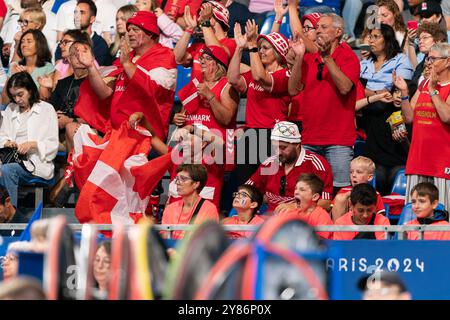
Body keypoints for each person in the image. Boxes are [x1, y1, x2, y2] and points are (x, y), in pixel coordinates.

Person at [76, 10, 176, 139]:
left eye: (135, 29)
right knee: (77, 135)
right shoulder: (125, 59)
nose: (130, 33)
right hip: (116, 134)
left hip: (146, 138)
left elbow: (152, 91)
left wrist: (127, 64)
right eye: (129, 30)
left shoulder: (164, 56)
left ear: (150, 33)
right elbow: (104, 93)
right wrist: (90, 66)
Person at [288, 13, 360, 193]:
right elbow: (293, 89)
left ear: (338, 32)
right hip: (310, 138)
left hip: (338, 141)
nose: (318, 30)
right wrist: (298, 58)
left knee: (339, 193)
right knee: (307, 192)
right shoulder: (310, 57)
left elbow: (344, 88)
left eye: (323, 27)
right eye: (317, 26)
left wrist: (327, 58)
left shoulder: (349, 56)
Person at [228, 21, 291, 186]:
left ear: (278, 53)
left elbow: (260, 77)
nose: (261, 51)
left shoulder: (285, 74)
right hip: (251, 134)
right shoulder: (253, 72)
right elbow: (233, 78)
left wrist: (253, 46)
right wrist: (240, 48)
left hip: (272, 135)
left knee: (269, 185)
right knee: (243, 184)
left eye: (265, 48)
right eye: (260, 47)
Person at [394, 43, 450, 210]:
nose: (428, 62)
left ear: (447, 62)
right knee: (414, 212)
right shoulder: (423, 84)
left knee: (442, 212)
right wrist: (404, 93)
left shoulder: (439, 87)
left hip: (441, 161)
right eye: (427, 58)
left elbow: (447, 116)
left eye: (433, 58)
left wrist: (433, 90)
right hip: (418, 158)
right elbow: (409, 117)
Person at [129, 112, 225, 209]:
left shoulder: (213, 163)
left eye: (191, 135)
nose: (185, 137)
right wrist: (141, 117)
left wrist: (192, 128)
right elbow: (152, 136)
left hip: (203, 222)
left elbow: (219, 142)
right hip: (173, 221)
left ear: (203, 143)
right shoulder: (176, 158)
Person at [246, 121, 333, 213]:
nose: (278, 152)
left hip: (303, 220)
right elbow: (247, 190)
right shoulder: (269, 164)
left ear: (297, 145)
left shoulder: (316, 164)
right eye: (275, 147)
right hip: (271, 220)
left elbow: (326, 202)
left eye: (283, 148)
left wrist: (296, 206)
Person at [173, 45, 238, 166]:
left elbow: (226, 119)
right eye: (202, 58)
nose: (202, 61)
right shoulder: (195, 84)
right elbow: (184, 115)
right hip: (192, 155)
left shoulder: (227, 86)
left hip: (217, 155)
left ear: (219, 64)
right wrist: (178, 120)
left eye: (208, 58)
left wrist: (210, 96)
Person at [0, 72, 59, 207]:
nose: (17, 99)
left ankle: (9, 217)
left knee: (8, 170)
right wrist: (7, 142)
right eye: (14, 96)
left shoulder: (46, 109)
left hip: (36, 164)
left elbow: (52, 144)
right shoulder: (11, 108)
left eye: (20, 94)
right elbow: (3, 135)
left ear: (31, 90)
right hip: (11, 158)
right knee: (7, 168)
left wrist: (33, 144)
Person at [174, 1, 236, 82]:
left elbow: (217, 52)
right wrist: (189, 29)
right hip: (194, 94)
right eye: (200, 16)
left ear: (218, 18)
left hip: (213, 94)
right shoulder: (199, 45)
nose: (199, 19)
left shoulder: (231, 43)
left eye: (203, 15)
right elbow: (176, 58)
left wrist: (205, 23)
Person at [50, 40, 91, 151]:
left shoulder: (97, 83)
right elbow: (50, 109)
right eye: (74, 54)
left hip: (82, 131)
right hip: (56, 133)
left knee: (70, 127)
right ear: (69, 59)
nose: (79, 57)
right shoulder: (62, 83)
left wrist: (69, 121)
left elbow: (97, 119)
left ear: (92, 57)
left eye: (83, 53)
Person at [161, 164, 219, 239]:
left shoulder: (209, 209)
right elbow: (164, 236)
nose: (178, 182)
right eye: (177, 179)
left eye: (183, 179)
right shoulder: (170, 208)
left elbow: (210, 239)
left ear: (196, 184)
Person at [276, 173, 334, 240]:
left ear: (315, 197)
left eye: (302, 190)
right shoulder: (289, 213)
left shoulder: (322, 216)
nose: (296, 192)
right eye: (296, 188)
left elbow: (322, 242)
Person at [360, 24, 414, 96]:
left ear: (387, 40)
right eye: (370, 37)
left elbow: (402, 89)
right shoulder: (365, 62)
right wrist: (375, 93)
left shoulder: (401, 60)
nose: (371, 41)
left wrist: (365, 92)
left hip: (388, 104)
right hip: (363, 103)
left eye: (376, 37)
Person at [3, 29, 55, 102]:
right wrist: (12, 77)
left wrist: (26, 78)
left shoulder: (48, 68)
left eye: (29, 41)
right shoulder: (16, 66)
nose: (24, 45)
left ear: (39, 44)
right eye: (22, 42)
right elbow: (4, 100)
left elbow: (44, 100)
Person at [331, 157, 386, 221]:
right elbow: (332, 213)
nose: (353, 175)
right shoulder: (343, 192)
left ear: (370, 177)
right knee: (340, 198)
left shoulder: (375, 194)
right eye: (351, 172)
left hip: (365, 227)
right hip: (344, 228)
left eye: (359, 172)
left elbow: (380, 217)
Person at [407, 22, 447, 96]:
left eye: (425, 37)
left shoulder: (445, 63)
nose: (420, 41)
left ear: (438, 40)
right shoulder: (421, 65)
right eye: (419, 39)